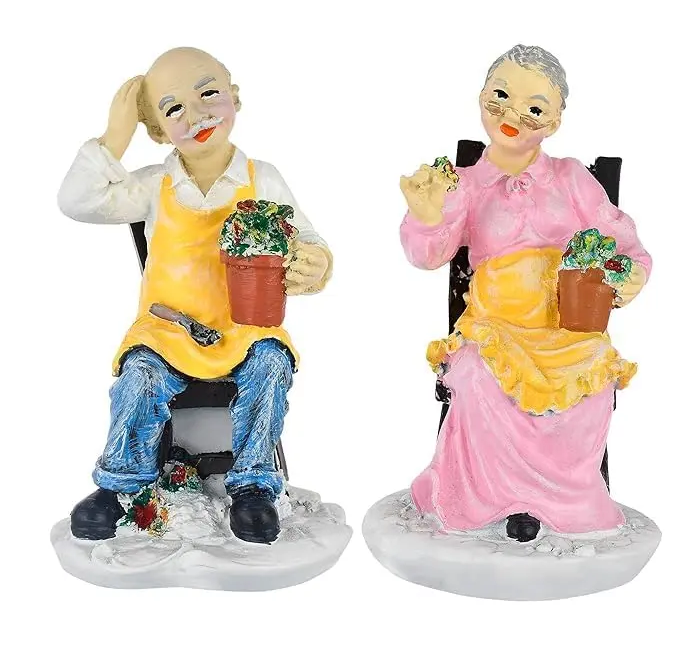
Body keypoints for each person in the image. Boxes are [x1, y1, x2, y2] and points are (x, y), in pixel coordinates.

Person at [58, 47, 332, 544]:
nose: (197, 114)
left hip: (244, 327)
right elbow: (77, 201)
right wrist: (114, 139)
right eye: (173, 108)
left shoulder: (262, 179)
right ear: (158, 131)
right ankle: (120, 484)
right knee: (138, 377)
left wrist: (314, 264)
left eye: (209, 94)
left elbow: (307, 239)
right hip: (166, 329)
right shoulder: (153, 185)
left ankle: (253, 485)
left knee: (273, 365)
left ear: (234, 97)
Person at [399, 44, 651, 542]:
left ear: (554, 121)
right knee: (477, 376)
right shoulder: (464, 185)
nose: (513, 115)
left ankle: (563, 503)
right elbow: (428, 254)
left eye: (534, 107)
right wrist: (428, 216)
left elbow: (624, 242)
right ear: (481, 96)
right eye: (501, 96)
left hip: (564, 327)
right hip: (493, 328)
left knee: (594, 373)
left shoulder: (572, 179)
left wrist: (629, 274)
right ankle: (491, 501)